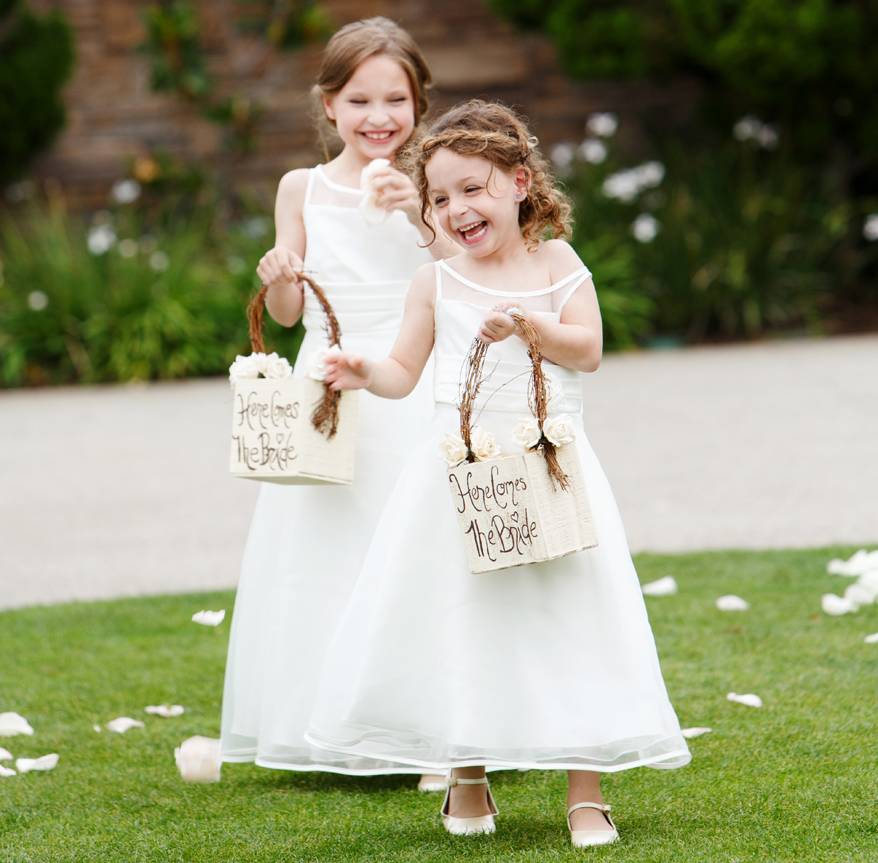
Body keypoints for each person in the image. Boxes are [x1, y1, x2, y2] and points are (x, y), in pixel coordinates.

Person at [306, 100, 691, 846]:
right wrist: (364, 369)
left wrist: (529, 323)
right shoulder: (434, 283)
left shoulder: (556, 264)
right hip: (459, 479)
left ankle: (585, 791)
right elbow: (403, 371)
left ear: (520, 183)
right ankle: (467, 775)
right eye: (440, 198)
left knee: (570, 618)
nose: (456, 209)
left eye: (472, 189)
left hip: (551, 470)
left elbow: (588, 349)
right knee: (463, 619)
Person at [221, 17, 451, 789]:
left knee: (413, 547)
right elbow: (288, 311)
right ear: (328, 105)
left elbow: (465, 272)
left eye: (396, 99)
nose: (378, 117)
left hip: (406, 372)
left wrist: (418, 211)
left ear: (418, 104)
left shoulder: (433, 181)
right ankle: (334, 727)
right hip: (328, 375)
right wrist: (281, 267)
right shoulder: (302, 187)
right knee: (324, 555)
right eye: (359, 100)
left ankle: (432, 730)